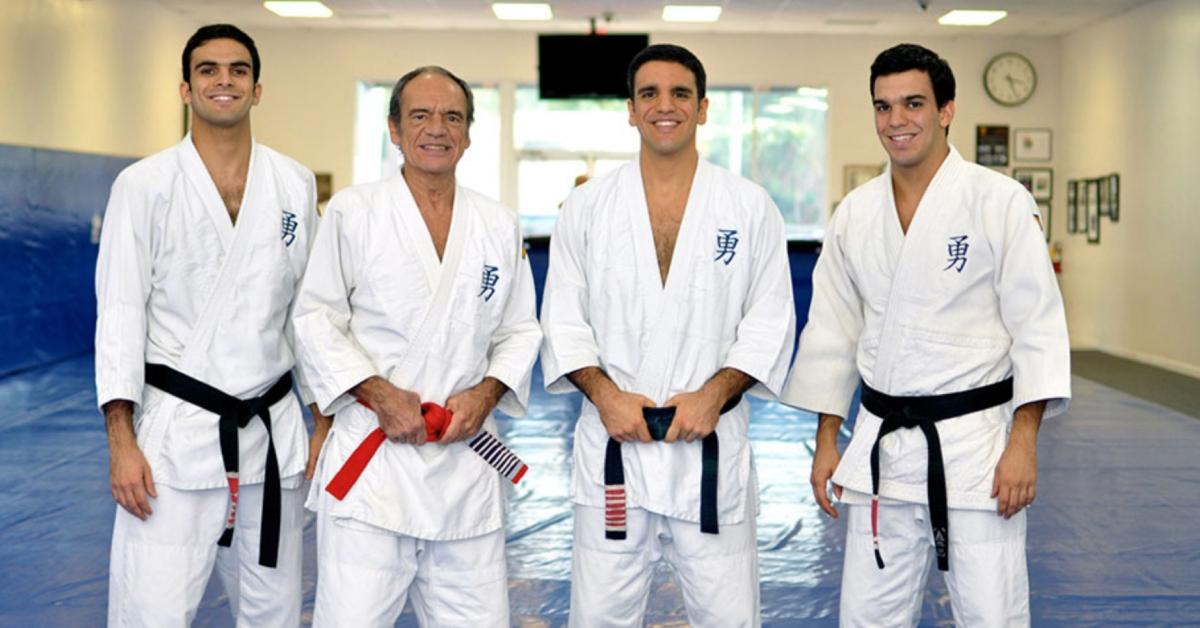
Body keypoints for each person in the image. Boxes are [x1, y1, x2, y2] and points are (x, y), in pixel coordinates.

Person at [781, 43, 1070, 627]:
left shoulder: (1000, 202)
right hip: (881, 449)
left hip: (975, 452)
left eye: (913, 103)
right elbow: (832, 332)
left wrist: (1023, 444)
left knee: (992, 616)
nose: (897, 121)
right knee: (867, 617)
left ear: (946, 110)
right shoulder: (856, 214)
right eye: (883, 107)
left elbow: (1036, 327)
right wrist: (825, 441)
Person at [540, 44, 795, 627]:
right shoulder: (586, 207)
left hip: (708, 447)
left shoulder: (749, 207)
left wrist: (713, 395)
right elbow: (562, 318)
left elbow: (770, 320)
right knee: (599, 616)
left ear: (703, 108)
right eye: (649, 94)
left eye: (680, 94)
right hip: (614, 446)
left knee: (729, 617)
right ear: (630, 110)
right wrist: (607, 397)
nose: (665, 106)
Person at [292, 66, 542, 627]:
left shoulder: (498, 225)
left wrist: (487, 392)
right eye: (420, 115)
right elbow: (313, 318)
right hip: (374, 464)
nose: (437, 128)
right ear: (394, 130)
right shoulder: (354, 213)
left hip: (463, 462)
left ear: (469, 134)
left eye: (452, 116)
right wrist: (378, 392)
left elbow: (520, 330)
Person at [97, 23, 324, 626]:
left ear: (257, 89)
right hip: (174, 438)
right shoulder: (143, 186)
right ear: (184, 89)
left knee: (273, 611)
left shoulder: (294, 183)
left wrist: (322, 417)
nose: (224, 80)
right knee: (153, 608)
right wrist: (121, 441)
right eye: (208, 70)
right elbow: (119, 312)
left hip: (272, 433)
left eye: (238, 70)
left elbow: (309, 312)